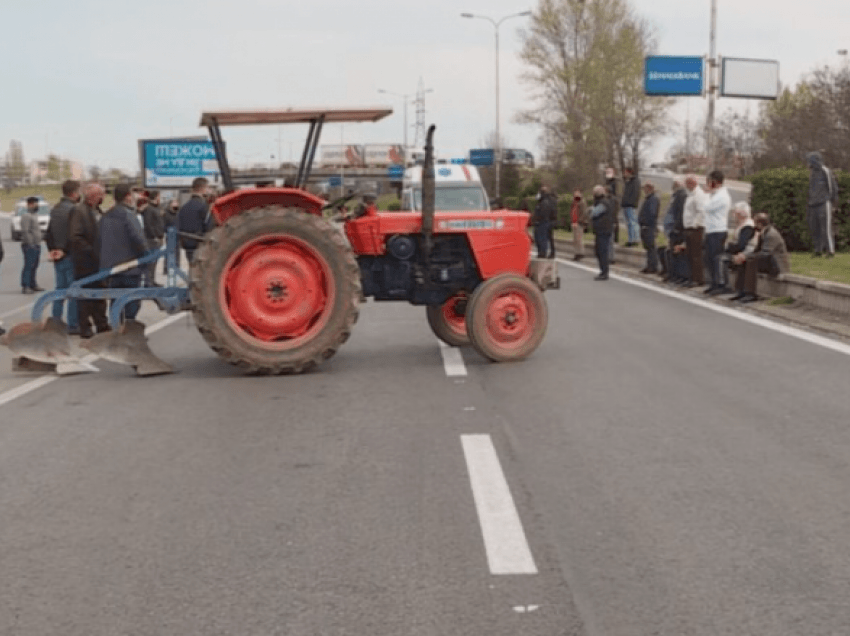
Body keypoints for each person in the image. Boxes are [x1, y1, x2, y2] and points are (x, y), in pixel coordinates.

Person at [99, 183, 148, 321]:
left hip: (111, 269)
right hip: (129, 268)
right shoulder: (129, 215)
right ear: (128, 196)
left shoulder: (105, 216)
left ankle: (116, 328)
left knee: (115, 301)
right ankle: (129, 328)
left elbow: (98, 240)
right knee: (132, 301)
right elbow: (138, 239)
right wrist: (146, 258)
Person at [69, 183, 110, 338]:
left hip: (99, 262)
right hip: (85, 263)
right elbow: (75, 237)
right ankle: (85, 327)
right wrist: (92, 251)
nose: (104, 197)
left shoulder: (98, 211)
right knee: (85, 296)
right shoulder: (79, 211)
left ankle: (102, 324)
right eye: (102, 194)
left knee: (99, 295)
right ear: (94, 196)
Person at [45, 180, 82, 333]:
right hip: (70, 255)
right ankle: (73, 324)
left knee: (59, 290)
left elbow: (48, 234)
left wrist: (53, 249)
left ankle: (56, 320)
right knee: (73, 292)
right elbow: (73, 235)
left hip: (57, 256)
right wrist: (65, 250)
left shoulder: (55, 210)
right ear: (74, 193)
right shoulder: (74, 210)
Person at [732, 212, 791, 303]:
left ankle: (750, 293)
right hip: (769, 261)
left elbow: (765, 253)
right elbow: (757, 250)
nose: (753, 226)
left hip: (776, 264)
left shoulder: (771, 234)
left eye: (755, 223)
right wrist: (743, 256)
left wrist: (746, 257)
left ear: (759, 224)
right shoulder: (763, 232)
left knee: (751, 262)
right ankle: (740, 291)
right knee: (745, 261)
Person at [715, 201, 758, 296]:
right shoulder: (743, 224)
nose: (733, 215)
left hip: (746, 253)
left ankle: (723, 285)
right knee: (720, 256)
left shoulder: (747, 226)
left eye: (735, 213)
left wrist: (729, 248)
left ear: (741, 214)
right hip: (741, 252)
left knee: (721, 259)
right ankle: (721, 284)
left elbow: (742, 245)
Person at [702, 169, 732, 293]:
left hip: (718, 230)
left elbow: (706, 207)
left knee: (715, 258)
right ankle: (714, 283)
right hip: (710, 230)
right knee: (708, 258)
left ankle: (721, 284)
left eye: (710, 182)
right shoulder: (714, 195)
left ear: (716, 182)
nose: (708, 184)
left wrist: (706, 193)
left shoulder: (722, 195)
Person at [806, 151, 839, 258]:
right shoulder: (812, 173)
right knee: (815, 227)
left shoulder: (825, 171)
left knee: (825, 228)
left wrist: (832, 201)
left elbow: (832, 187)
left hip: (824, 203)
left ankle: (830, 251)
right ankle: (818, 250)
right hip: (813, 204)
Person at [177, 177, 214, 262]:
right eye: (208, 187)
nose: (209, 190)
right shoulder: (204, 206)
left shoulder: (184, 207)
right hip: (201, 245)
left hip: (187, 245)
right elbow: (209, 227)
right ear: (202, 188)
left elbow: (179, 226)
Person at [682, 175, 707, 288]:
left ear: (692, 183)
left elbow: (701, 211)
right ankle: (692, 277)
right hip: (689, 227)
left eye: (687, 184)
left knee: (696, 255)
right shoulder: (690, 195)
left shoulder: (698, 195)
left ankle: (697, 279)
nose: (686, 186)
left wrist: (694, 225)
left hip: (695, 229)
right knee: (690, 254)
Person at [662, 179, 688, 283]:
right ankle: (672, 274)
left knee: (676, 253)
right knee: (672, 252)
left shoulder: (681, 196)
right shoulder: (676, 196)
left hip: (676, 228)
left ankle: (676, 275)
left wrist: (676, 228)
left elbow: (679, 213)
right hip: (673, 227)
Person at [139, 190, 165, 286]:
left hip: (158, 238)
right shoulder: (149, 209)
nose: (160, 199)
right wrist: (154, 236)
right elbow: (148, 224)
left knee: (154, 262)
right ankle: (148, 282)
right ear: (156, 197)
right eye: (159, 197)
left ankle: (151, 280)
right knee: (150, 262)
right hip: (152, 240)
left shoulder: (157, 208)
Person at [20, 196, 44, 294]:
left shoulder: (34, 215)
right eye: (35, 204)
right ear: (30, 204)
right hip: (30, 245)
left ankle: (33, 284)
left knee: (34, 265)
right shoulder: (26, 216)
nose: (36, 206)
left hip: (37, 244)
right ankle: (26, 285)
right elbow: (25, 231)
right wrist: (30, 243)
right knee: (29, 265)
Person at [590, 185, 613, 280]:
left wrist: (591, 210)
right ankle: (603, 271)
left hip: (603, 230)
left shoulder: (603, 203)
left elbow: (594, 213)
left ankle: (604, 272)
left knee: (602, 251)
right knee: (600, 251)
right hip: (602, 230)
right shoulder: (603, 202)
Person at [637, 182, 660, 274]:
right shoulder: (648, 199)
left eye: (645, 189)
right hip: (645, 226)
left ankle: (653, 266)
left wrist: (646, 221)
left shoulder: (653, 199)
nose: (644, 191)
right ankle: (649, 265)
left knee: (651, 247)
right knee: (648, 247)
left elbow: (652, 213)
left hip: (649, 226)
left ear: (649, 188)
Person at [532, 185, 557, 259]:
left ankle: (543, 253)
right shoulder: (546, 201)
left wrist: (537, 220)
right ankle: (547, 252)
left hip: (544, 222)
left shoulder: (545, 202)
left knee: (542, 238)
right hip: (547, 221)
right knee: (547, 238)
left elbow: (543, 213)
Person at [620, 167, 641, 247]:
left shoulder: (635, 182)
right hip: (626, 204)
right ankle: (630, 239)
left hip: (630, 205)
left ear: (629, 172)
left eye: (625, 172)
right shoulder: (628, 182)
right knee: (629, 223)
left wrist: (630, 203)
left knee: (632, 222)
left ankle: (634, 239)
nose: (624, 174)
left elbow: (635, 194)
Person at [162, 197, 180, 274]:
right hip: (169, 235)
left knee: (177, 252)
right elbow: (163, 225)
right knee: (169, 252)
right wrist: (168, 230)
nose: (176, 204)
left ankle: (176, 267)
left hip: (178, 235)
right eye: (174, 202)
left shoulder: (178, 213)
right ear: (170, 204)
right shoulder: (166, 213)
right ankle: (166, 268)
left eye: (177, 202)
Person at [570, 189, 589, 261]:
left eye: (577, 193)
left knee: (579, 239)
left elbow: (584, 213)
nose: (576, 195)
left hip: (579, 223)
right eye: (575, 193)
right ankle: (577, 253)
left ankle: (580, 253)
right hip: (574, 222)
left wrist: (579, 221)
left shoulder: (582, 203)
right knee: (575, 239)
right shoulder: (574, 202)